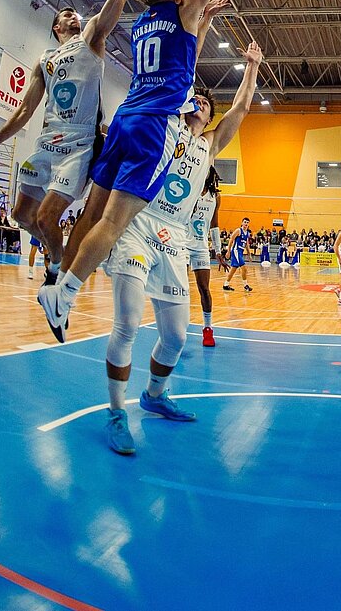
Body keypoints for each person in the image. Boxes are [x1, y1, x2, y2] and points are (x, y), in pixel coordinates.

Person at [37, 0, 230, 342]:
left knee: (90, 216)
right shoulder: (182, 8)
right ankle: (63, 295)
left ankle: (58, 284)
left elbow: (184, 60)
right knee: (114, 222)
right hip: (154, 126)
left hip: (125, 118)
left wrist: (204, 22)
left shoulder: (146, 23)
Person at [0, 0, 175, 286]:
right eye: (66, 15)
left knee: (48, 217)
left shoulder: (92, 38)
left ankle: (58, 272)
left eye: (74, 14)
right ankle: (59, 256)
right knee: (23, 215)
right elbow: (24, 109)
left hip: (79, 145)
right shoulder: (45, 59)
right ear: (55, 26)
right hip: (46, 143)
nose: (73, 16)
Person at [103, 40, 262, 456]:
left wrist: (252, 67)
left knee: (175, 336)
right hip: (138, 224)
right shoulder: (167, 126)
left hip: (176, 238)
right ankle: (116, 414)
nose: (200, 105)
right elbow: (177, 71)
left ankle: (154, 395)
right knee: (128, 324)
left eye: (207, 105)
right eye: (195, 100)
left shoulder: (208, 145)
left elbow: (241, 110)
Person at [188, 164, 221, 347]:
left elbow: (215, 224)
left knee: (204, 288)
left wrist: (218, 250)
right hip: (182, 243)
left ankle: (208, 329)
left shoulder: (215, 196)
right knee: (180, 289)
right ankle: (174, 328)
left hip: (200, 246)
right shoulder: (189, 187)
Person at [223, 218, 252, 292]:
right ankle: (245, 285)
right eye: (245, 222)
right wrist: (228, 251)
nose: (246, 224)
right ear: (242, 223)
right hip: (236, 251)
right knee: (244, 268)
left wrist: (249, 254)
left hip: (240, 252)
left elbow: (247, 244)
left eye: (247, 223)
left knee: (233, 270)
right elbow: (231, 240)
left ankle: (226, 285)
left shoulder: (248, 233)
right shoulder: (238, 230)